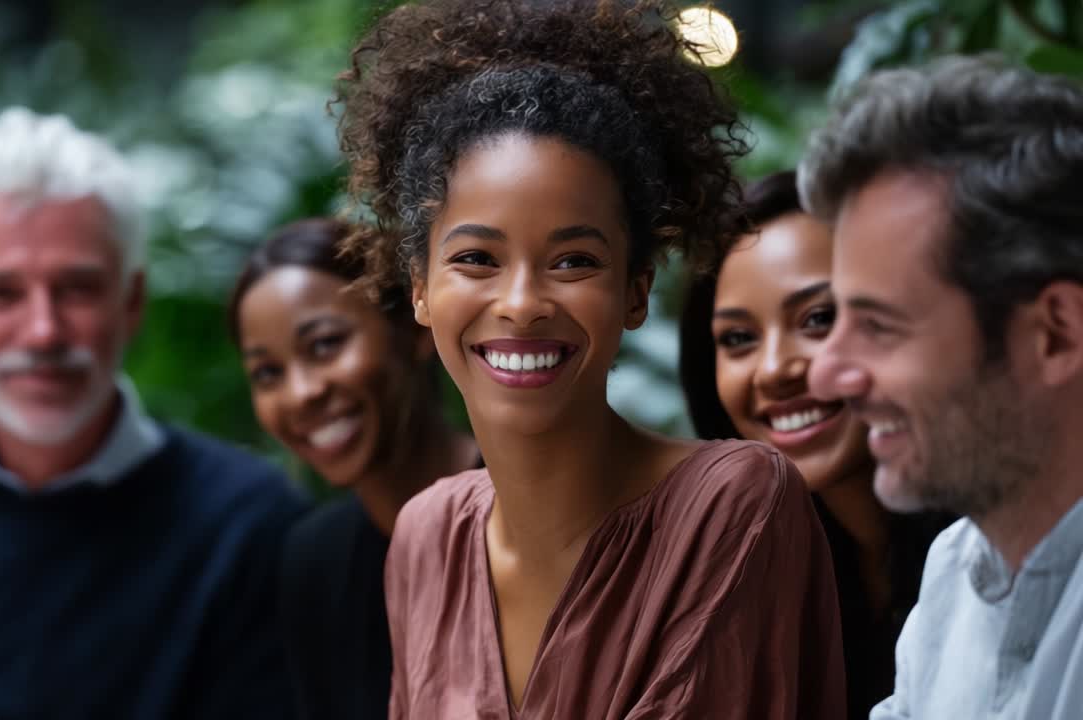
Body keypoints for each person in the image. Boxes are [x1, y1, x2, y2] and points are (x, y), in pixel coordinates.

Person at [334, 1, 847, 717]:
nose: (522, 302)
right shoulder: (426, 538)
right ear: (420, 288)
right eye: (477, 258)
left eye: (573, 260)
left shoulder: (732, 502)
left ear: (635, 291)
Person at [0, 107, 306, 720]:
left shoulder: (248, 525)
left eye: (76, 288)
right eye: (1, 293)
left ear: (132, 301)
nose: (42, 330)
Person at [798, 55, 1083, 720]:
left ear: (1057, 334)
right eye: (833, 317)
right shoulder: (957, 569)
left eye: (880, 325)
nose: (826, 372)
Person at [678, 170, 951, 718]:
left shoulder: (999, 544)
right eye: (738, 339)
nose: (774, 369)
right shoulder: (758, 583)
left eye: (818, 318)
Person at [228, 217, 480, 720]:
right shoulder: (314, 561)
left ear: (413, 327)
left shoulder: (535, 507)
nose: (302, 393)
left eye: (324, 344)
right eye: (268, 373)